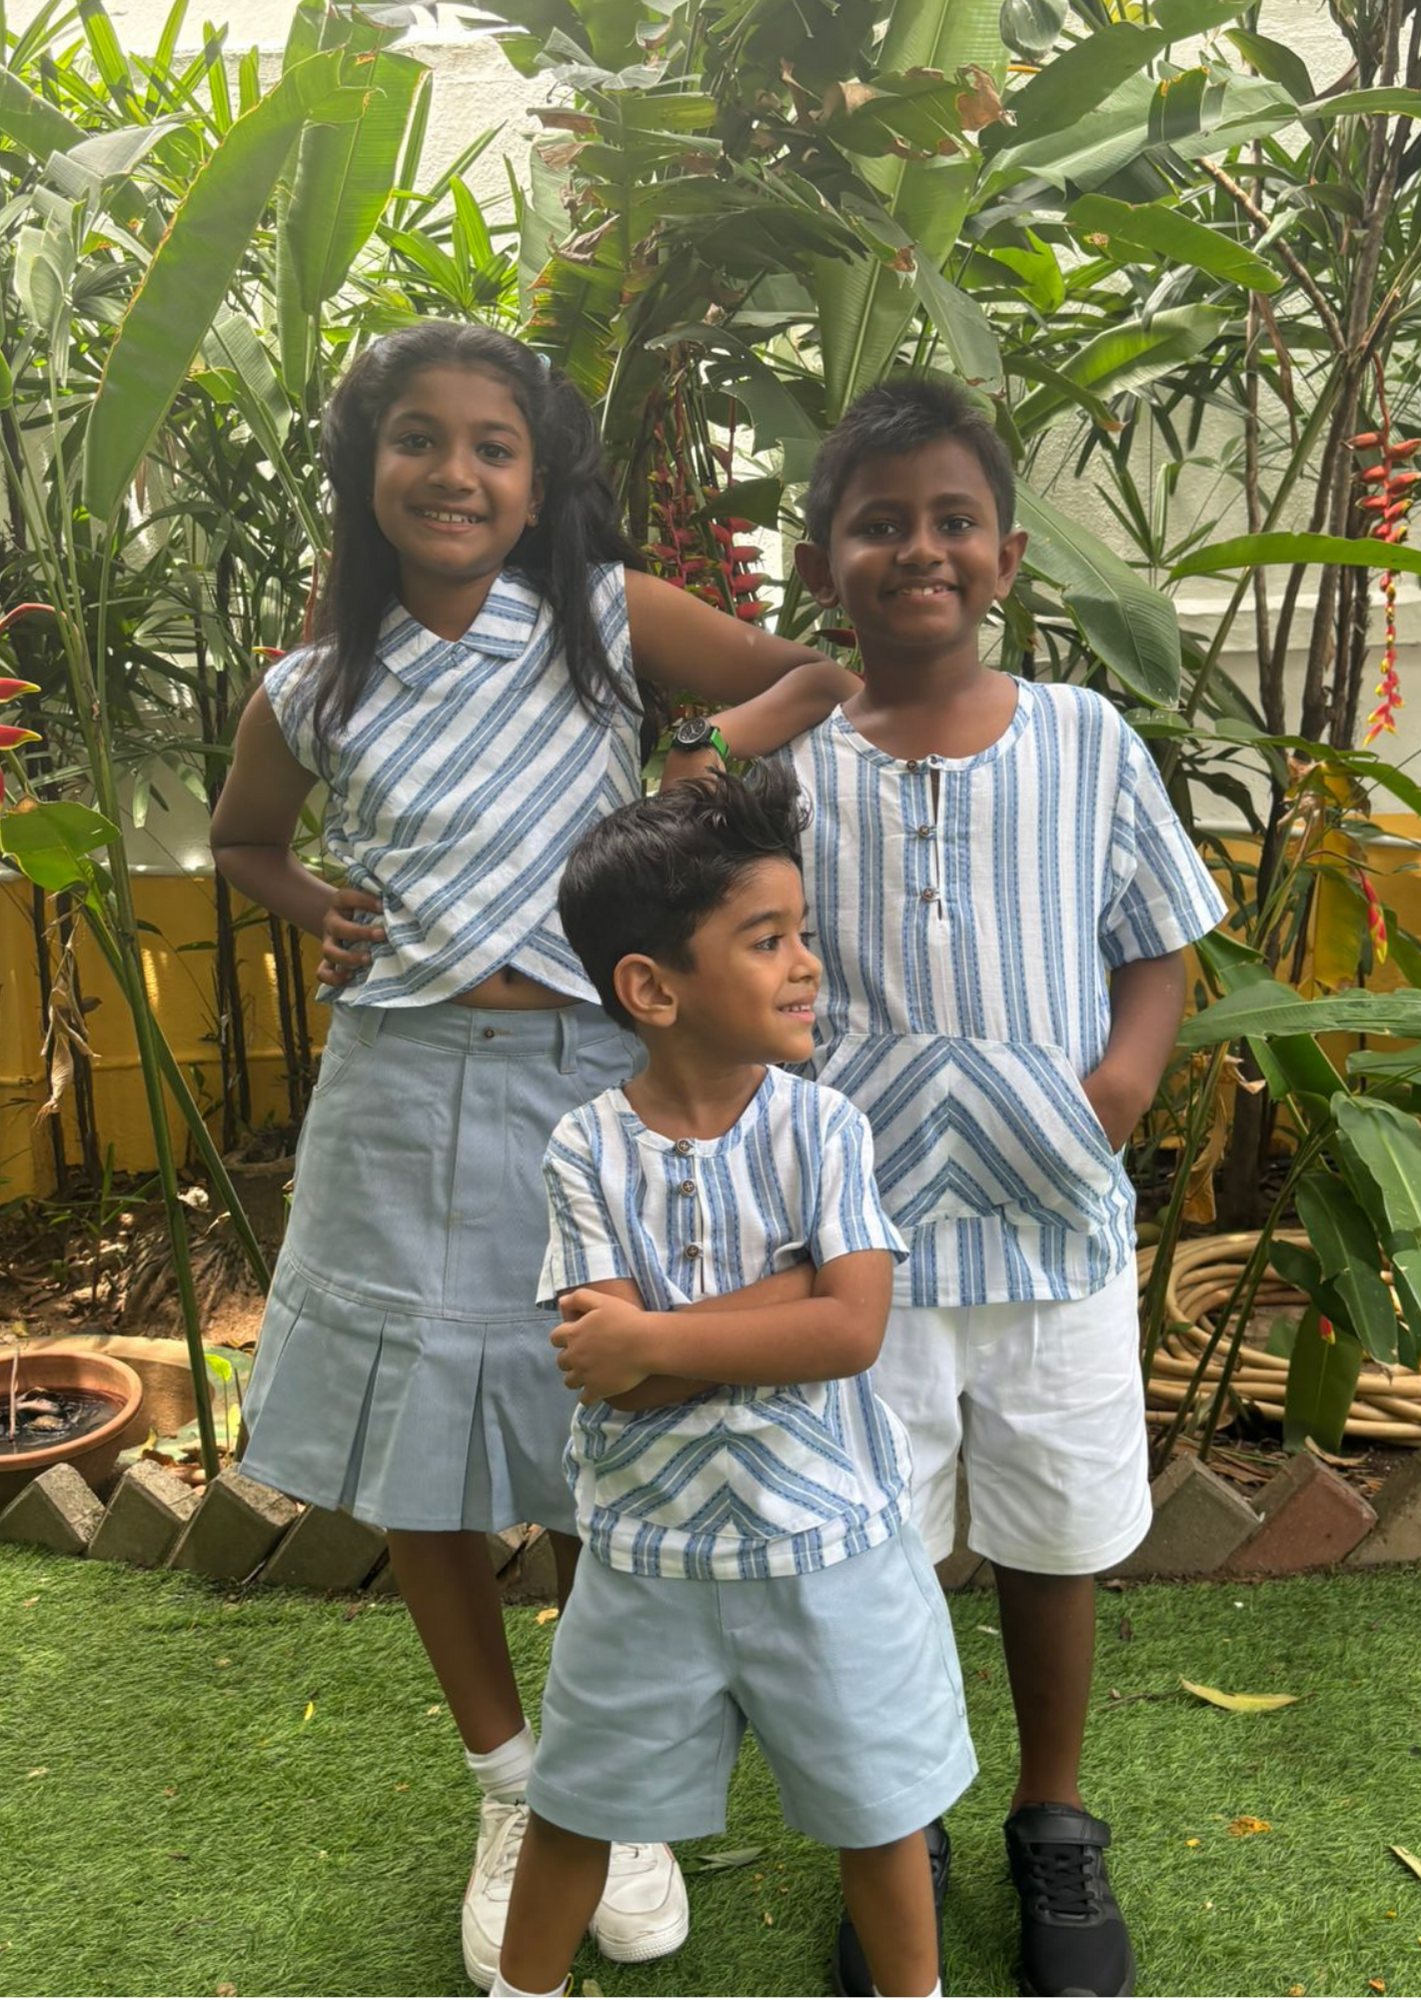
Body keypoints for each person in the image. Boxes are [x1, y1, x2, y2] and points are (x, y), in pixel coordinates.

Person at [208, 320, 852, 1988]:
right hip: (401, 1089)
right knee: (430, 1450)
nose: (453, 471)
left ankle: (605, 1772)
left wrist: (696, 767)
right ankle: (512, 1786)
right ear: (365, 468)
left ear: (535, 472)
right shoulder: (315, 680)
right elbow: (241, 840)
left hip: (590, 1078)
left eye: (492, 444)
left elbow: (806, 673)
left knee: (602, 1423)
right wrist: (313, 909)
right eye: (415, 438)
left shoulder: (595, 619)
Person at [665, 377, 1227, 1999]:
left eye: (950, 519)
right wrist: (753, 718)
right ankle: (894, 1827)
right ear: (827, 561)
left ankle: (1050, 1818)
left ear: (1001, 553)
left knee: (1052, 1542)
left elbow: (1157, 944)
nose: (918, 547)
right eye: (877, 522)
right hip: (859, 1262)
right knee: (872, 1555)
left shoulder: (1080, 740)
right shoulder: (794, 775)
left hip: (1047, 1231)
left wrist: (1119, 1082)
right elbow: (651, 850)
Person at [489, 768, 975, 2000]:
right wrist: (781, 1298)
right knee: (575, 1805)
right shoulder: (582, 1148)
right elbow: (607, 1373)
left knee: (883, 1814)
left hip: (831, 1553)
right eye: (768, 939)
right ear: (651, 988)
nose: (805, 962)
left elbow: (852, 1326)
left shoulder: (826, 1129)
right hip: (644, 1563)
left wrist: (659, 1334)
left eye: (801, 932)